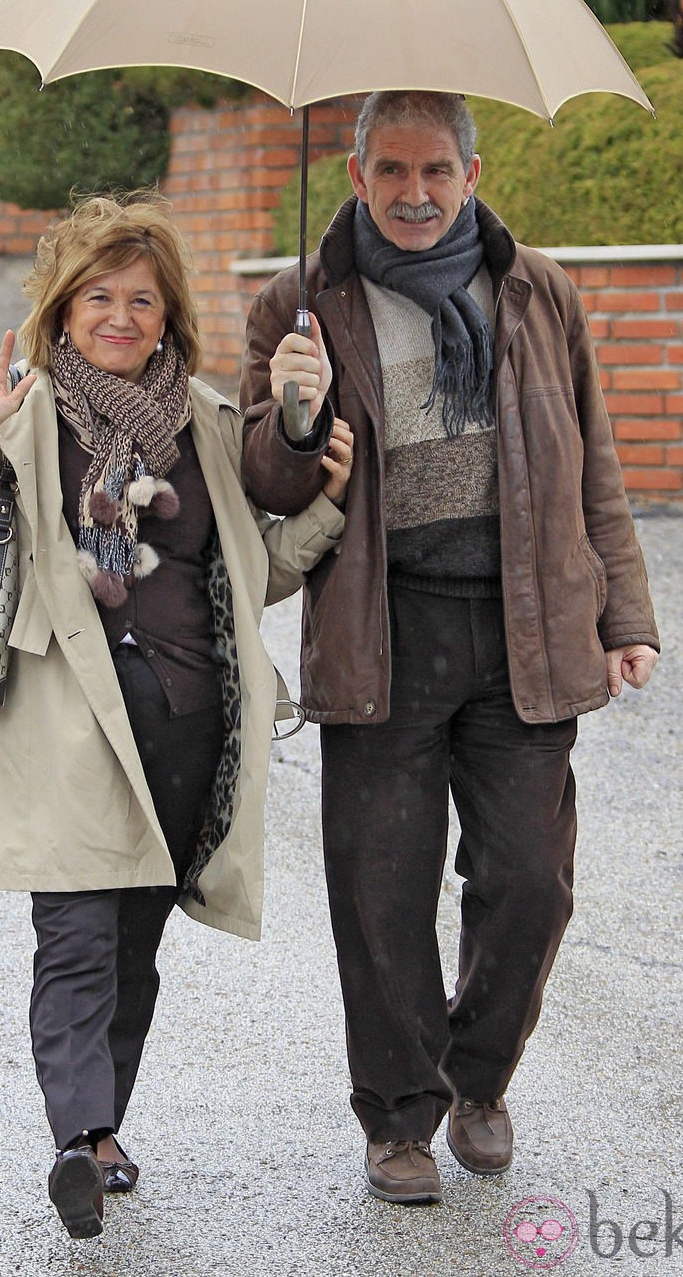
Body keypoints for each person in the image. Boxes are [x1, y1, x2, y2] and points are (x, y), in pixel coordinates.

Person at [0, 191, 353, 1239]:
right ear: (60, 312)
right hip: (66, 727)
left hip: (185, 725)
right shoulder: (22, 412)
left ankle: (103, 1135)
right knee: (72, 940)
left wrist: (325, 502)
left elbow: (253, 572)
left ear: (167, 316)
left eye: (140, 300)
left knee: (134, 947)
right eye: (96, 296)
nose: (118, 316)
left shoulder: (203, 424)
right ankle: (75, 1140)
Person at [239, 91, 659, 1204]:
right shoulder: (302, 300)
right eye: (391, 171)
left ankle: (475, 1079)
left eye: (435, 171)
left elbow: (592, 465)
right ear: (354, 173)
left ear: (471, 174)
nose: (413, 194)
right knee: (379, 888)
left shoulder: (535, 290)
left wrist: (625, 616)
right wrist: (289, 416)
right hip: (381, 625)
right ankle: (396, 1119)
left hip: (524, 623)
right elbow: (266, 490)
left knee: (530, 878)